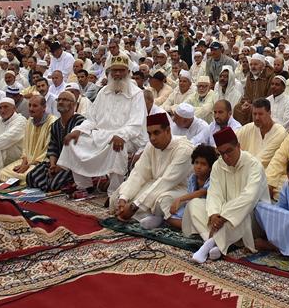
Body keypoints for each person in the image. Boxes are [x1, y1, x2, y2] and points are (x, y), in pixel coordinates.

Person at [57, 55, 147, 198]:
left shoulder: (136, 94)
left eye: (121, 70)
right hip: (102, 135)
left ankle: (114, 192)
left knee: (117, 146)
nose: (117, 74)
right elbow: (92, 119)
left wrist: (122, 135)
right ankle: (85, 187)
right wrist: (78, 130)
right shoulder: (104, 92)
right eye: (114, 70)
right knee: (73, 141)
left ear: (128, 72)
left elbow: (135, 124)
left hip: (129, 137)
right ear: (109, 72)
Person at [182, 127, 270, 263]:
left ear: (238, 146)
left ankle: (208, 245)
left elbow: (248, 198)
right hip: (222, 216)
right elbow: (214, 193)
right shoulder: (218, 165)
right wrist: (214, 214)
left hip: (251, 217)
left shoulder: (254, 165)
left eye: (229, 151)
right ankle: (217, 243)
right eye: (222, 153)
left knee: (241, 215)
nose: (226, 157)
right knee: (194, 205)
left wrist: (223, 216)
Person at [111, 112, 194, 230]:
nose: (152, 138)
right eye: (149, 134)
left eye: (156, 133)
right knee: (117, 198)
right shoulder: (151, 146)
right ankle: (150, 216)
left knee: (161, 202)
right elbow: (138, 173)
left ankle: (159, 218)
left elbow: (167, 181)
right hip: (155, 185)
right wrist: (123, 198)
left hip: (179, 189)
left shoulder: (184, 149)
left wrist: (135, 206)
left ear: (168, 131)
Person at [27, 91, 86, 192]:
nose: (60, 102)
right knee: (30, 176)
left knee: (54, 184)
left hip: (74, 164)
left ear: (73, 104)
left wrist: (61, 166)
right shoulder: (56, 124)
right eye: (59, 99)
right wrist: (53, 164)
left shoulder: (81, 122)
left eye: (65, 100)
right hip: (58, 163)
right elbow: (52, 146)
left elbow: (80, 151)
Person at [0, 95, 56, 184]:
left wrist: (29, 165)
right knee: (1, 173)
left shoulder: (52, 122)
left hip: (42, 164)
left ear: (44, 107)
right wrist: (24, 163)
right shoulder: (29, 121)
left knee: (29, 175)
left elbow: (48, 152)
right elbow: (25, 147)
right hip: (27, 161)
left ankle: (21, 180)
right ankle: (22, 181)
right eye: (30, 105)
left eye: (35, 106)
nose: (31, 109)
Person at [167, 144, 217, 229]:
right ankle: (191, 226)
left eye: (203, 164)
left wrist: (180, 199)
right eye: (196, 162)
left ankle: (193, 227)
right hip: (191, 208)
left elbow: (201, 192)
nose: (198, 167)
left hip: (206, 209)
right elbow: (190, 197)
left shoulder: (212, 179)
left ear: (210, 167)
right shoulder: (192, 178)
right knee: (169, 217)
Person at [236, 98, 287, 168]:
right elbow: (232, 144)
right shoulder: (249, 127)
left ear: (269, 113)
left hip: (268, 175)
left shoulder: (280, 132)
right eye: (254, 114)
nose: (257, 118)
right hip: (245, 169)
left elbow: (262, 160)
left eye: (260, 114)